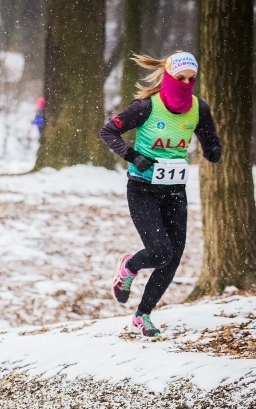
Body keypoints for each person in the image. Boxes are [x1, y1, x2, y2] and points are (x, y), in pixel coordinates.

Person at [100, 51, 221, 338]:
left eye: (191, 79)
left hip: (175, 191)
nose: (186, 83)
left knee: (173, 258)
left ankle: (142, 315)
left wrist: (213, 150)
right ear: (168, 76)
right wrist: (132, 155)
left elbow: (209, 137)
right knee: (160, 252)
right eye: (180, 78)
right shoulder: (146, 107)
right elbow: (108, 132)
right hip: (143, 190)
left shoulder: (198, 108)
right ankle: (129, 266)